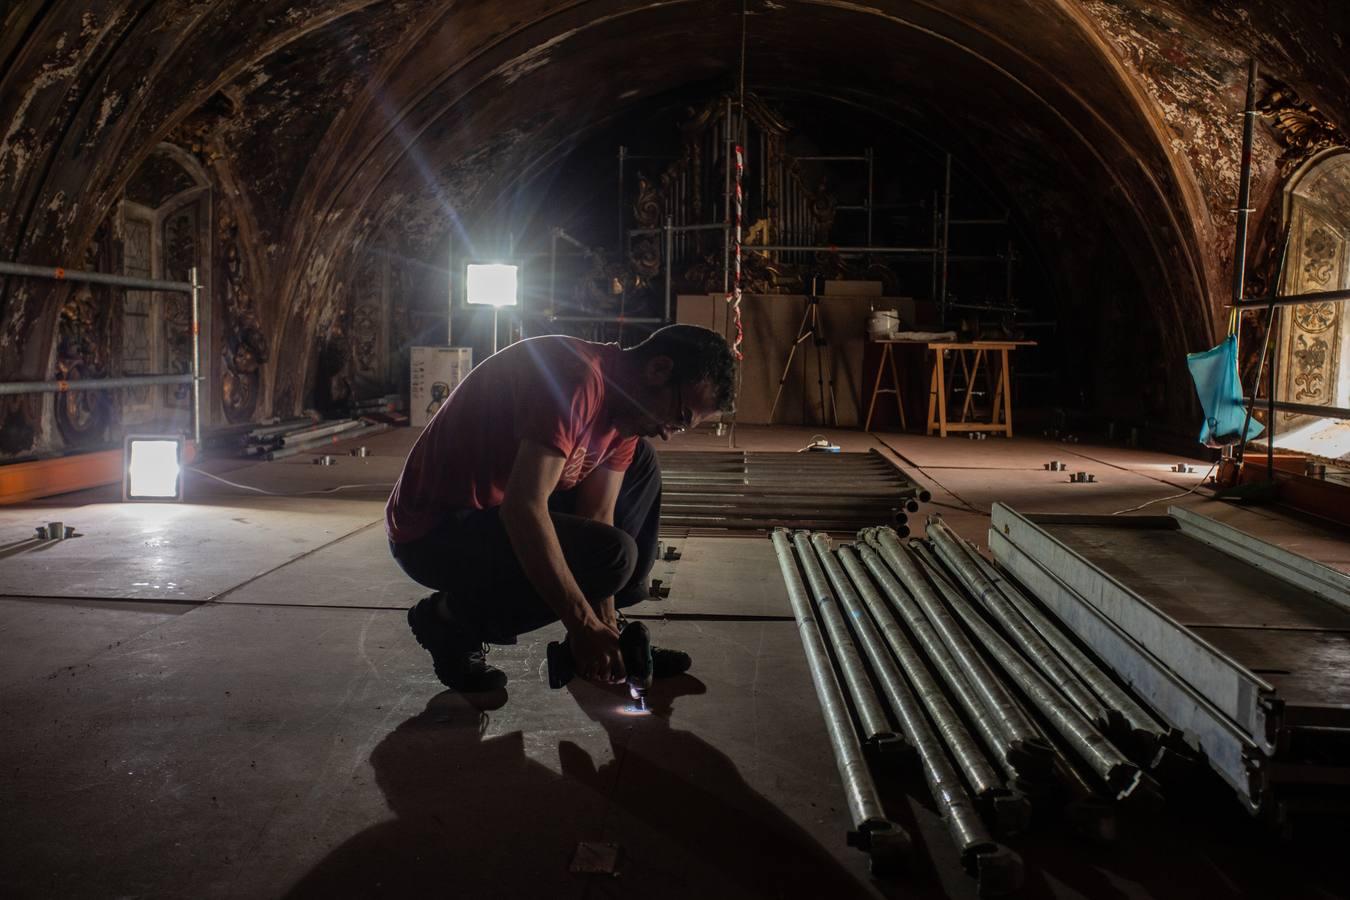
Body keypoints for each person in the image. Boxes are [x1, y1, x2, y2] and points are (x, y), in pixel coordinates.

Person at [387, 324, 737, 691]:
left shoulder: (625, 414)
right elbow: (523, 510)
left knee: (639, 472)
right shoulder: (577, 377)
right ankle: (449, 621)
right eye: (680, 416)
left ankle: (605, 638)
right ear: (658, 370)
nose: (669, 431)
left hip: (496, 512)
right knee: (613, 557)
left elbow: (597, 517)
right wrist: (582, 625)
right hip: (435, 533)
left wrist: (604, 631)